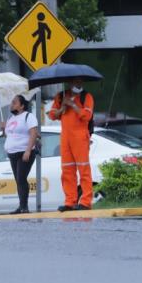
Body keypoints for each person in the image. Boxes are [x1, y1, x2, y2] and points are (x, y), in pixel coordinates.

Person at [48, 78, 94, 212]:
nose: (78, 83)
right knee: (67, 171)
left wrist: (73, 105)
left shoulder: (87, 96)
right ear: (70, 82)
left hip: (80, 137)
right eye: (75, 81)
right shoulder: (61, 96)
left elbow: (87, 116)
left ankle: (86, 201)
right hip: (65, 137)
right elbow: (52, 115)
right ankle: (70, 201)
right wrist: (63, 106)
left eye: (80, 81)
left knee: (84, 170)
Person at [2, 95, 39, 214]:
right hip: (12, 153)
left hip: (24, 152)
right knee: (18, 180)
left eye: (14, 102)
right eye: (11, 102)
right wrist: (3, 129)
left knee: (21, 178)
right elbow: (9, 135)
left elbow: (33, 133)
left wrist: (28, 150)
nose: (11, 105)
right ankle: (21, 205)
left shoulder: (28, 116)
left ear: (22, 106)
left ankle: (24, 207)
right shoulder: (10, 118)